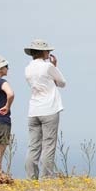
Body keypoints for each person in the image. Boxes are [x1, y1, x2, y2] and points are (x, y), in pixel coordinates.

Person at [23, 39, 66, 179]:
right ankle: (46, 178)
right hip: (49, 109)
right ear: (43, 52)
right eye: (48, 50)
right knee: (49, 145)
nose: (49, 52)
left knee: (33, 146)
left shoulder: (27, 68)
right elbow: (62, 83)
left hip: (34, 110)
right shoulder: (48, 67)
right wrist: (55, 66)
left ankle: (31, 178)